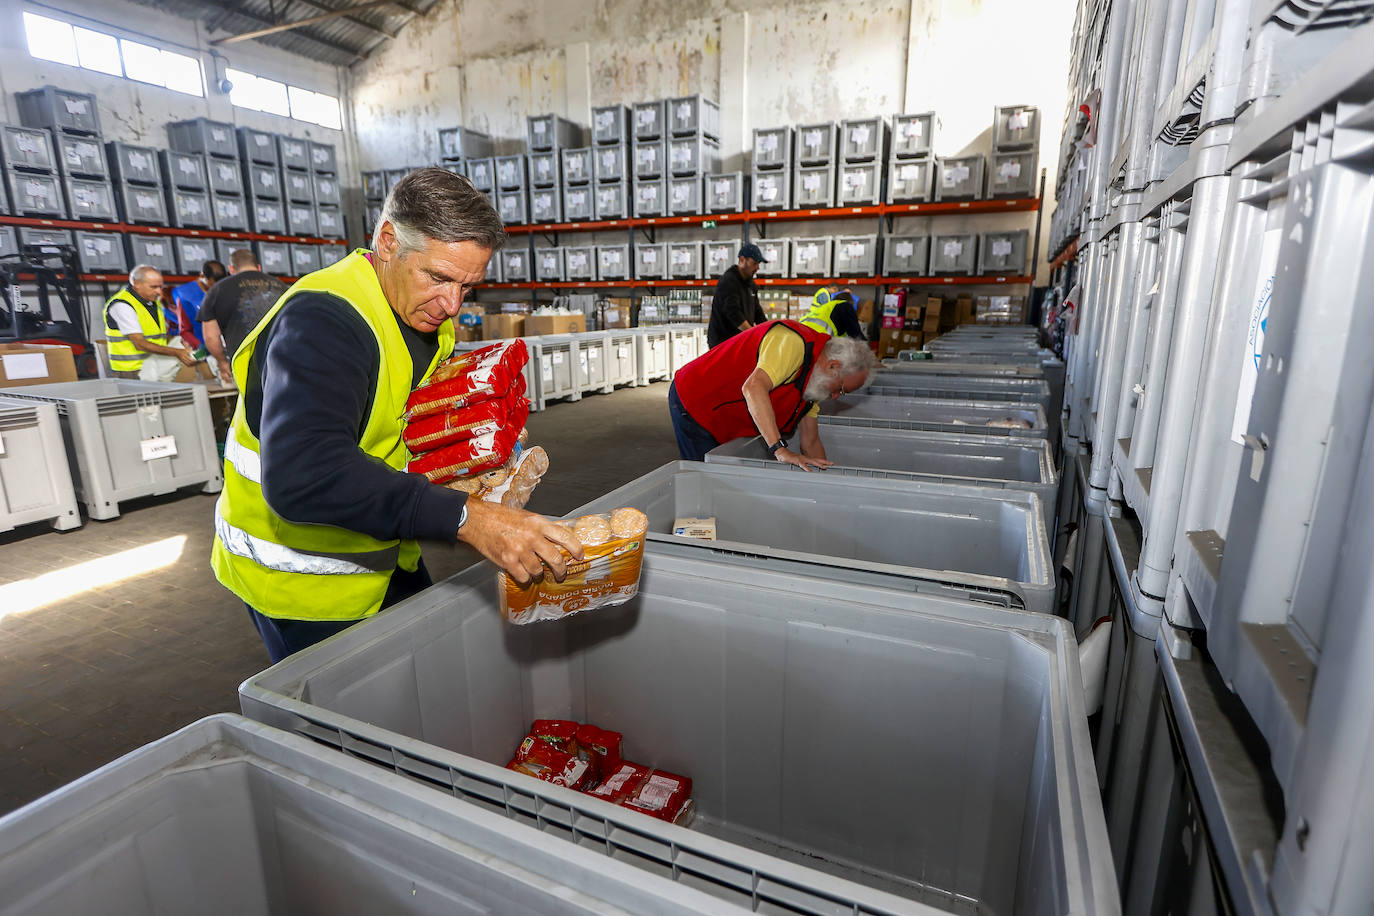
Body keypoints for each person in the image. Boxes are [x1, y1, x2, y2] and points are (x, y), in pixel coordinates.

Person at [212, 167, 584, 663]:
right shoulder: (322, 324)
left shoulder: (422, 313)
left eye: (467, 287)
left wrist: (472, 469)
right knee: (349, 730)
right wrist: (469, 519)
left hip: (381, 548)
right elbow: (305, 475)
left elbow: (398, 423)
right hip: (302, 582)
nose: (452, 305)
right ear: (388, 242)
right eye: (439, 277)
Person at [668, 318, 877, 467]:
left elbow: (810, 442)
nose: (835, 397)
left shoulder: (813, 385)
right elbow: (753, 387)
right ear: (833, 365)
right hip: (696, 401)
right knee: (705, 478)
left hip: (724, 412)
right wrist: (780, 449)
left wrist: (829, 485)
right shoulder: (792, 344)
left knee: (722, 475)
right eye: (841, 389)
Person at [198, 248, 288, 385]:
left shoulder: (217, 290)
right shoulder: (282, 287)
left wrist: (222, 363)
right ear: (258, 267)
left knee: (253, 404)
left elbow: (210, 336)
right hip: (284, 358)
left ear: (231, 269)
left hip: (245, 365)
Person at [103, 265, 198, 381]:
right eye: (153, 287)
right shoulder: (122, 305)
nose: (159, 291)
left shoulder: (152, 301)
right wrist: (178, 352)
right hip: (132, 371)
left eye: (160, 286)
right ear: (137, 284)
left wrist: (185, 345)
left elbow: (157, 336)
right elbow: (139, 343)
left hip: (153, 363)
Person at [706, 243, 768, 348]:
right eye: (754, 263)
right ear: (743, 260)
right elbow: (734, 313)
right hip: (723, 344)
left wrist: (769, 330)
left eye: (758, 264)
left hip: (739, 340)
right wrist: (752, 334)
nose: (757, 268)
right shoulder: (728, 281)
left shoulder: (750, 284)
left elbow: (758, 312)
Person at [168, 260, 227, 349]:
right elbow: (184, 329)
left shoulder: (225, 289)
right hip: (202, 346)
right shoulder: (183, 294)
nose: (215, 288)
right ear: (202, 276)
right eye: (211, 285)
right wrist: (199, 346)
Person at [800, 286, 866, 340]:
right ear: (850, 301)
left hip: (801, 332)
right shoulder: (845, 305)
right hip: (815, 337)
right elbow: (855, 334)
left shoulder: (827, 306)